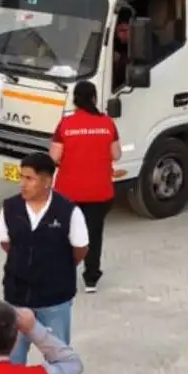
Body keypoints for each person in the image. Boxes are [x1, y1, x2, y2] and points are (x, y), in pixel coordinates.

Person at [0, 152, 88, 374]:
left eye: (29, 178)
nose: (22, 183)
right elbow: (5, 242)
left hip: (55, 299)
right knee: (11, 359)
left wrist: (53, 270)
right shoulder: (10, 208)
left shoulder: (68, 211)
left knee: (59, 357)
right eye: (21, 177)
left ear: (47, 180)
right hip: (17, 298)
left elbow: (80, 249)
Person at [48, 81, 120, 295]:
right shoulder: (107, 124)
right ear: (94, 99)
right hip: (100, 191)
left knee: (65, 234)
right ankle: (91, 278)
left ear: (75, 100)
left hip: (68, 192)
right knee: (93, 234)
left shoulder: (65, 125)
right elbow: (116, 154)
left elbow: (54, 157)